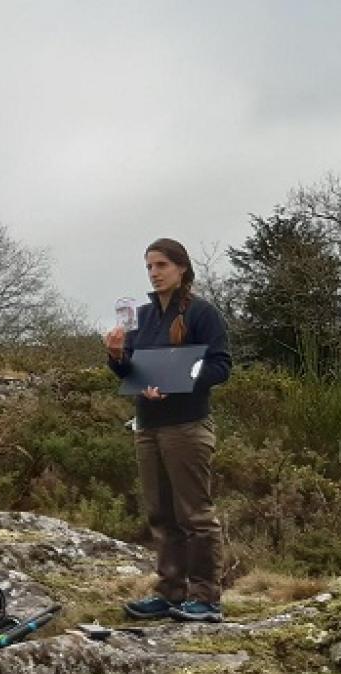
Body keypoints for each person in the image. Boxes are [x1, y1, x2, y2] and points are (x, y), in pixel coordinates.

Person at [108, 239, 233, 624]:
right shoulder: (141, 317)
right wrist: (115, 355)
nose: (154, 273)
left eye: (161, 265)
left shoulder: (203, 313)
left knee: (195, 515)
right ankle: (170, 592)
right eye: (149, 266)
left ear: (181, 268)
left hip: (187, 424)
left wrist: (178, 381)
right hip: (147, 424)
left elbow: (220, 367)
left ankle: (206, 598)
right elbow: (130, 370)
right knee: (160, 513)